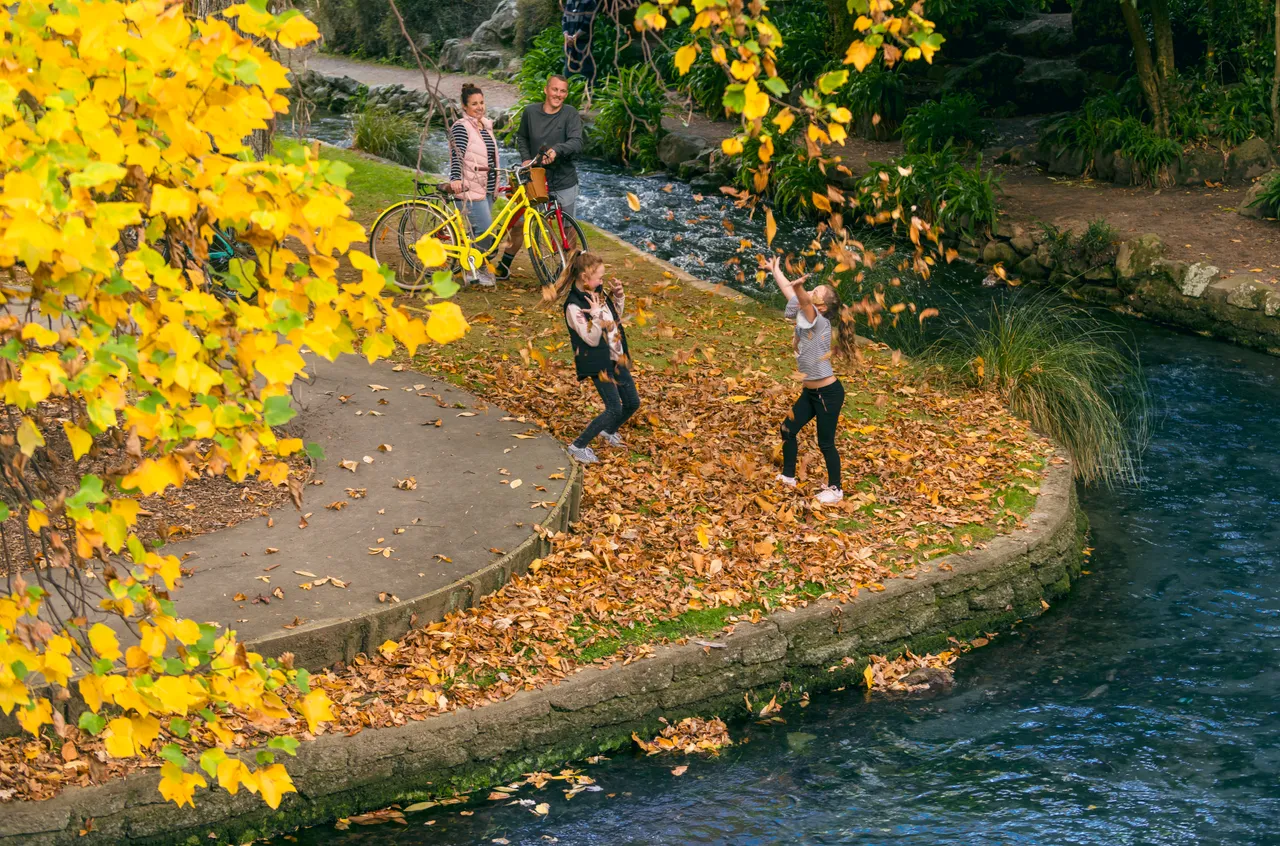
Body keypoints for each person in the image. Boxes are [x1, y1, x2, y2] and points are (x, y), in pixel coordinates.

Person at [767, 255, 853, 505]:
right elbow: (790, 293)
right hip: (810, 393)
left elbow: (802, 300)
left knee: (825, 442)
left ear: (822, 307)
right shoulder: (807, 313)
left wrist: (800, 287)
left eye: (816, 291)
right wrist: (775, 269)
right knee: (787, 428)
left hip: (828, 394)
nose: (810, 291)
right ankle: (788, 476)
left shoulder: (820, 322)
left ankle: (836, 489)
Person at [551, 251, 639, 464]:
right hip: (598, 362)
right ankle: (577, 446)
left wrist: (617, 296)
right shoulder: (574, 307)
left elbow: (612, 319)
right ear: (584, 278)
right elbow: (590, 339)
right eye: (599, 277)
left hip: (616, 356)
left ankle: (608, 432)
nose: (602, 281)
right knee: (613, 408)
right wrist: (597, 314)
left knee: (632, 402)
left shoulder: (596, 292)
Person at [446, 84, 519, 286]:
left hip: (486, 188)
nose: (479, 107)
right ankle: (472, 270)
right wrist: (455, 179)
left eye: (481, 102)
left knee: (480, 234)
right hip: (470, 188)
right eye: (474, 104)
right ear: (464, 106)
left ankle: (474, 266)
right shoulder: (461, 126)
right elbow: (456, 155)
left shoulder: (485, 125)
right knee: (484, 232)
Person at [515, 76, 584, 221]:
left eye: (563, 91)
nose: (558, 94)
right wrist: (526, 159)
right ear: (546, 90)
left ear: (566, 94)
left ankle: (568, 244)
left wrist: (556, 150)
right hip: (536, 178)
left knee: (568, 226)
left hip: (564, 178)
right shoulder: (530, 112)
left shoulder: (570, 113)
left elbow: (577, 142)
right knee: (532, 223)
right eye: (555, 89)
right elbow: (522, 137)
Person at [562, 0, 598, 83]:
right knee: (569, 71)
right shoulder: (569, 2)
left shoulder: (590, 2)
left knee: (586, 70)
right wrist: (566, 35)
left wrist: (575, 36)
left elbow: (588, 23)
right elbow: (564, 19)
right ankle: (572, 93)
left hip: (583, 42)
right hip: (569, 42)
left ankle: (590, 92)